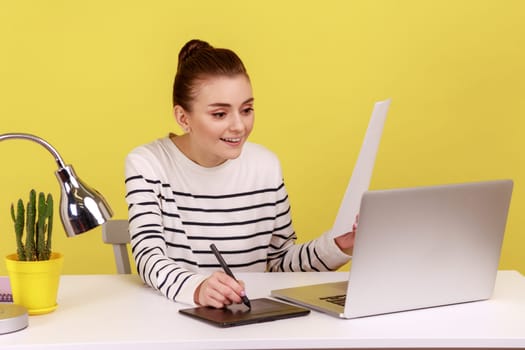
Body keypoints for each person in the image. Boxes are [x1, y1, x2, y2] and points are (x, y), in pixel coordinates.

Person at [125, 39, 356, 308]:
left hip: (251, 322)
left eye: (246, 110)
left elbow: (280, 263)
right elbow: (148, 256)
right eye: (220, 114)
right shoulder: (148, 164)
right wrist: (197, 288)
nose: (239, 126)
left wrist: (339, 245)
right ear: (183, 117)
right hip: (175, 318)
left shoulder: (266, 166)